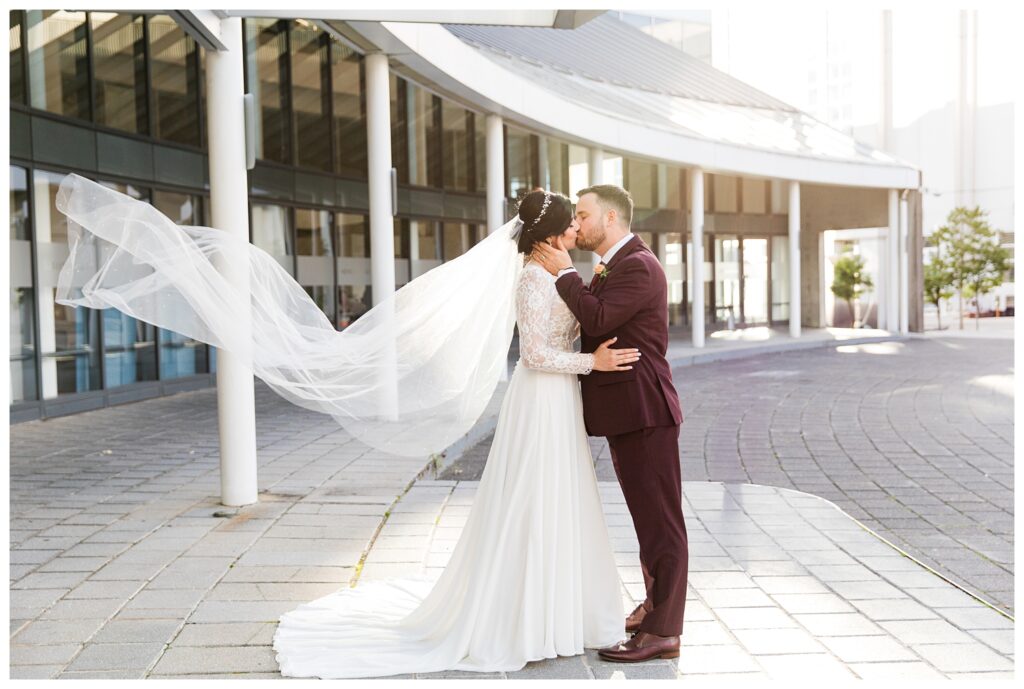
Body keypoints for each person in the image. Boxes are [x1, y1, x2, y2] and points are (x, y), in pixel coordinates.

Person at [51, 176, 644, 677]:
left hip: (556, 404)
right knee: (533, 505)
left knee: (556, 504)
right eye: (571, 224)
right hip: (542, 400)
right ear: (552, 233)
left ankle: (556, 609)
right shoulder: (537, 278)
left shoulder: (559, 270)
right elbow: (538, 354)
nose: (577, 232)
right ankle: (526, 617)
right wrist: (593, 361)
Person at [534, 184, 688, 663]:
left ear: (612, 220)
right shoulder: (614, 265)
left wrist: (564, 275)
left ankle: (664, 631)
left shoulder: (638, 266)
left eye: (583, 215)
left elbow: (597, 317)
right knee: (647, 521)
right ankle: (654, 608)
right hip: (629, 415)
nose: (576, 225)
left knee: (662, 525)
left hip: (646, 413)